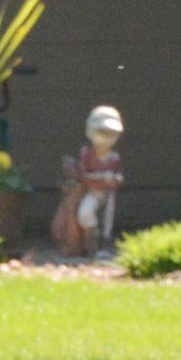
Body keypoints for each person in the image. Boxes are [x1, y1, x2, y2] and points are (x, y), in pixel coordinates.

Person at [73, 106, 124, 257]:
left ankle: (104, 247)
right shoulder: (87, 154)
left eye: (111, 134)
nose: (106, 138)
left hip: (108, 193)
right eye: (102, 133)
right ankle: (91, 243)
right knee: (85, 214)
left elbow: (119, 177)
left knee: (107, 221)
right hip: (92, 192)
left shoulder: (114, 158)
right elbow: (83, 175)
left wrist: (114, 179)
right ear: (91, 132)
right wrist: (102, 176)